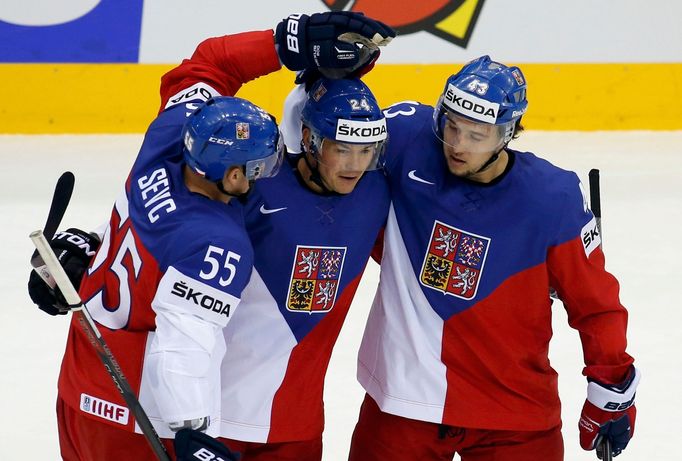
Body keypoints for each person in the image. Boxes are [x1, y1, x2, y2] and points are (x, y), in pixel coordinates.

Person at [28, 11, 395, 461]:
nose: (268, 173)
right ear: (232, 175)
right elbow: (184, 343)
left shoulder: (166, 138)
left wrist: (90, 250)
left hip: (81, 384)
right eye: (258, 168)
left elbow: (207, 66)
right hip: (141, 415)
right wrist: (193, 433)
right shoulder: (216, 240)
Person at [348, 55, 639, 461]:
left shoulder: (551, 198)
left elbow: (596, 304)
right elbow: (327, 139)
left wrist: (611, 387)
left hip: (514, 412)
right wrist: (326, 77)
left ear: (509, 132)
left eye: (477, 134)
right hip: (403, 402)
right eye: (451, 126)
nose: (458, 145)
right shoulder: (407, 140)